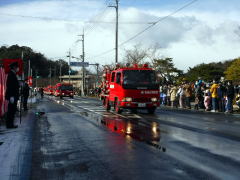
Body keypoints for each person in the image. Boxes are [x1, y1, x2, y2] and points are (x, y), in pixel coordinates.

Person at [5, 62, 20, 128]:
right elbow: (10, 86)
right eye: (17, 67)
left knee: (12, 110)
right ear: (14, 67)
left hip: (13, 95)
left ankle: (10, 123)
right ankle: (9, 124)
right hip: (12, 95)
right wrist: (11, 96)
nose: (17, 68)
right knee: (11, 110)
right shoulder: (11, 75)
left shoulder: (13, 74)